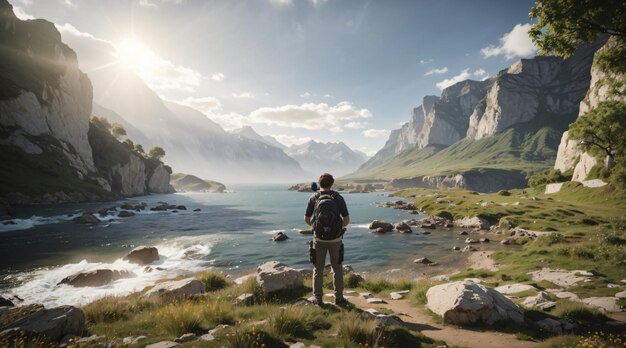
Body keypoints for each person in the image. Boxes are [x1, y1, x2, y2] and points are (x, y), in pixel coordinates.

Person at [304, 173, 350, 306]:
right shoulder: (338, 198)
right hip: (335, 240)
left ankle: (317, 298)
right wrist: (336, 228)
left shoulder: (314, 197)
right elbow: (346, 220)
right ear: (332, 183)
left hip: (318, 239)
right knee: (337, 268)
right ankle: (339, 298)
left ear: (319, 183)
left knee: (318, 269)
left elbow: (306, 219)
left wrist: (316, 227)